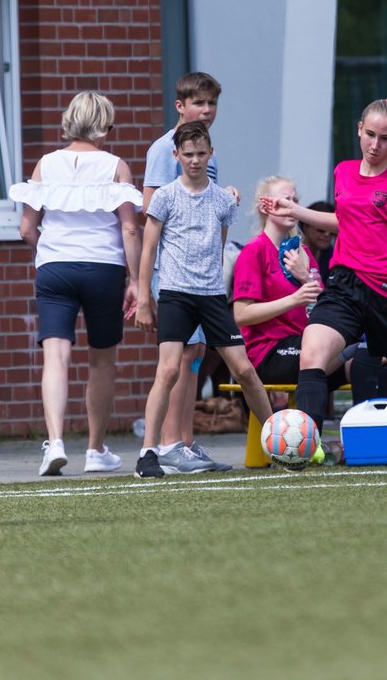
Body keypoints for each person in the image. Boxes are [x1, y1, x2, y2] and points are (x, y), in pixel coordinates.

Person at [260, 99, 387, 473]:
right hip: (345, 284)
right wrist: (294, 210)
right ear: (359, 129)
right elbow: (345, 220)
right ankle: (309, 442)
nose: (374, 144)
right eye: (370, 134)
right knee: (312, 353)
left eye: (385, 138)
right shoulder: (344, 172)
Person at [11, 91, 143, 476]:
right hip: (103, 268)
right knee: (102, 359)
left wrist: (49, 249)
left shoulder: (45, 165)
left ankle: (54, 442)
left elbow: (25, 228)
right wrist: (134, 280)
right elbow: (130, 227)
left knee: (56, 357)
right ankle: (95, 449)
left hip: (54, 267)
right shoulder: (115, 166)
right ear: (104, 126)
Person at [134, 122, 274, 478]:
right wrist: (144, 299)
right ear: (176, 155)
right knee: (167, 371)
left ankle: (279, 440)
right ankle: (148, 453)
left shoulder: (223, 200)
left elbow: (219, 243)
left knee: (244, 369)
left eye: (201, 154)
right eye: (188, 154)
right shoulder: (164, 197)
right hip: (176, 294)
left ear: (211, 154)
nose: (195, 161)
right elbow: (148, 250)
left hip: (211, 295)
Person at [140, 72, 230, 471]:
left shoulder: (207, 149)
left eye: (211, 104)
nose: (206, 110)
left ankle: (185, 442)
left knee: (195, 353)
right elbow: (152, 208)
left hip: (204, 274)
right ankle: (168, 443)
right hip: (174, 271)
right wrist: (143, 287)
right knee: (176, 358)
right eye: (198, 104)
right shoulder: (166, 149)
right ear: (180, 106)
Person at [232, 176, 345, 400]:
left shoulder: (302, 253)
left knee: (365, 357)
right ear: (266, 206)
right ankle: (304, 431)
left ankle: (361, 429)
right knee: (331, 354)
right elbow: (242, 315)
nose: (292, 206)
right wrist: (294, 299)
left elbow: (324, 305)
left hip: (304, 344)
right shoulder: (254, 251)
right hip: (269, 352)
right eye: (286, 200)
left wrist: (305, 277)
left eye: (295, 200)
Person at [298, 200, 337, 279]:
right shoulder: (293, 251)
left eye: (332, 232)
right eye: (321, 230)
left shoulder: (330, 253)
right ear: (306, 227)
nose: (327, 234)